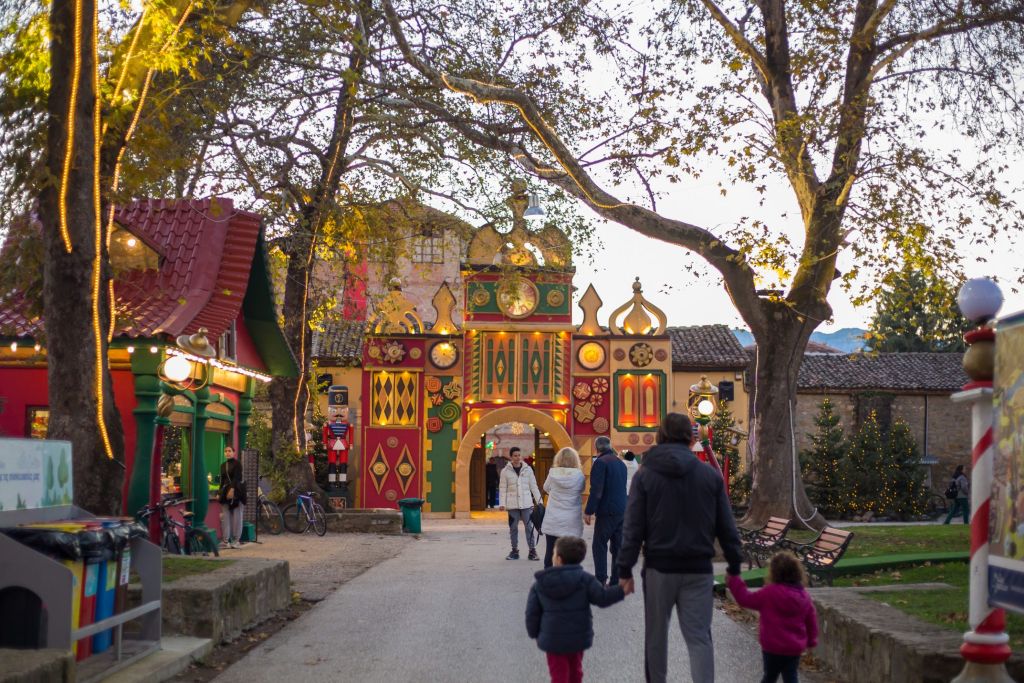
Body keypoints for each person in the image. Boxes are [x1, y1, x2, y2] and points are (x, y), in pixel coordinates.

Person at [618, 412, 744, 683]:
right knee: (699, 637)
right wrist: (734, 565)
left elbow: (633, 526)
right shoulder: (710, 476)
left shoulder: (645, 475)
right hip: (698, 568)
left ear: (661, 437)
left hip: (659, 567)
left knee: (656, 637)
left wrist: (624, 569)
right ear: (690, 438)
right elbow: (726, 525)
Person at [526, 536, 628, 683]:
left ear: (558, 559)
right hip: (578, 638)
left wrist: (534, 634)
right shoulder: (586, 580)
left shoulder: (541, 584)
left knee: (558, 675)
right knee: (576, 671)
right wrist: (621, 590)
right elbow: (602, 598)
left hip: (553, 640)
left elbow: (532, 614)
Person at [727, 552, 818, 683]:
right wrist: (811, 641)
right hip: (794, 647)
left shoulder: (769, 593)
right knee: (791, 676)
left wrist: (734, 580)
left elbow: (745, 599)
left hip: (772, 646)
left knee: (769, 676)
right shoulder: (804, 596)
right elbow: (811, 620)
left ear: (773, 573)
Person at [585, 436, 627, 586]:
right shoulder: (621, 463)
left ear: (596, 448)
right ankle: (615, 581)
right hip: (622, 510)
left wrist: (589, 510)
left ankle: (601, 579)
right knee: (617, 547)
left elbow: (597, 489)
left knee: (599, 545)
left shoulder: (600, 462)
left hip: (607, 511)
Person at [540, 447, 586, 568]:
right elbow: (581, 489)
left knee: (550, 550)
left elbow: (545, 488)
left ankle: (548, 576)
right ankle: (569, 575)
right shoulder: (579, 475)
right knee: (571, 552)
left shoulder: (552, 473)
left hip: (553, 518)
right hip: (572, 520)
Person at [499, 446, 543, 560]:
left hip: (526, 504)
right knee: (513, 528)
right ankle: (514, 551)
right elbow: (503, 488)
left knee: (529, 527)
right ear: (511, 457)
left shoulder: (528, 470)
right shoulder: (505, 471)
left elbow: (533, 486)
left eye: (519, 455)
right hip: (512, 504)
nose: (517, 458)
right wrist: (502, 503)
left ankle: (532, 551)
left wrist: (539, 501)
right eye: (515, 456)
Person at [218, 445, 247, 548]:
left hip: (236, 492)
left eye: (229, 451)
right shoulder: (223, 465)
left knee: (237, 517)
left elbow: (237, 477)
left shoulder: (237, 464)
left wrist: (232, 489)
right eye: (225, 451)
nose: (227, 453)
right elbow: (222, 480)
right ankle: (226, 541)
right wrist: (219, 492)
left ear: (233, 452)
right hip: (225, 493)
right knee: (225, 517)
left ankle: (236, 540)